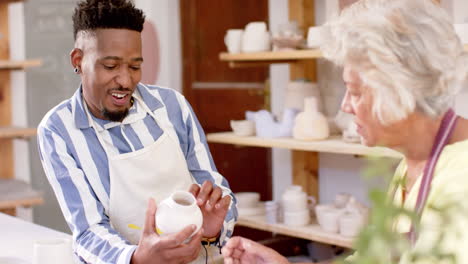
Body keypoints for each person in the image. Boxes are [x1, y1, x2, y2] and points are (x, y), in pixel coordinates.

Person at [222, 0, 468, 263]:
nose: (346, 105)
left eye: (356, 92)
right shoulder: (414, 162)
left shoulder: (460, 180)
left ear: (403, 93)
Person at [37, 0, 237, 263]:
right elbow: (87, 231)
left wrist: (211, 230)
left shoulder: (172, 106)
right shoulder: (58, 131)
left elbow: (219, 192)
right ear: (78, 60)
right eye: (110, 66)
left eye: (134, 66)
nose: (125, 80)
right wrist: (137, 257)